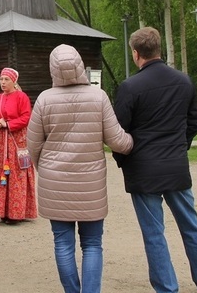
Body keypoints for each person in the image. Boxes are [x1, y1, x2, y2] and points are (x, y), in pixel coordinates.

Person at [113, 27, 197, 293]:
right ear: (160, 49)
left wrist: (123, 158)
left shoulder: (130, 87)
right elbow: (193, 122)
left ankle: (167, 288)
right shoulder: (183, 81)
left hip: (143, 169)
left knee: (154, 234)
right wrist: (179, 148)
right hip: (175, 165)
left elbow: (118, 131)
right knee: (191, 227)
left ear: (136, 54)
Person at [27, 44, 133, 293]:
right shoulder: (98, 96)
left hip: (54, 181)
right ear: (80, 65)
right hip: (90, 183)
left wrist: (44, 167)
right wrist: (134, 143)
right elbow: (117, 140)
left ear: (52, 68)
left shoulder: (44, 99)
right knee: (93, 244)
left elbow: (33, 144)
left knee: (63, 244)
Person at [0, 67, 37, 224]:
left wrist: (8, 124)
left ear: (14, 81)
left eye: (6, 79)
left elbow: (26, 117)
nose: (3, 82)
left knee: (17, 173)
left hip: (17, 140)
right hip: (1, 141)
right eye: (1, 79)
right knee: (2, 172)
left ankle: (17, 212)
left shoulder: (22, 97)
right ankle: (2, 210)